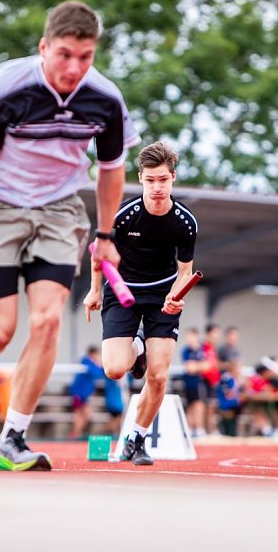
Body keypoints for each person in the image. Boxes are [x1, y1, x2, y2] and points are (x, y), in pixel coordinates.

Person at [0, 1, 140, 472]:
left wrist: (107, 233)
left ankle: (13, 439)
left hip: (59, 210)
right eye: (66, 55)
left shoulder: (105, 99)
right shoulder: (7, 88)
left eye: (86, 56)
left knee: (48, 321)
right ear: (44, 48)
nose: (75, 68)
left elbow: (112, 170)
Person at [83, 141, 198, 465]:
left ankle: (137, 438)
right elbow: (99, 255)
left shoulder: (185, 222)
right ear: (141, 179)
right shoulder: (124, 215)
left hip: (162, 294)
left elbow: (185, 270)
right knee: (115, 369)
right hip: (122, 291)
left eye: (163, 179)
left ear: (172, 177)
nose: (157, 187)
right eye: (150, 180)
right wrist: (94, 291)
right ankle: (137, 347)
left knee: (159, 375)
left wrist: (176, 297)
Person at [68, 346, 105, 439]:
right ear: (93, 354)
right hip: (78, 394)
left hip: (83, 395)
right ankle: (76, 433)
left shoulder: (90, 363)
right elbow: (97, 374)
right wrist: (99, 365)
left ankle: (77, 433)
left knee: (85, 415)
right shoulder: (86, 361)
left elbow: (100, 374)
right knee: (80, 414)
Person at [180, 327, 208, 438]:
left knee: (199, 405)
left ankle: (199, 428)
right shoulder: (186, 350)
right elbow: (189, 368)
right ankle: (190, 429)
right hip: (188, 382)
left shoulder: (202, 349)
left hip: (199, 382)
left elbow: (208, 365)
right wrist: (199, 366)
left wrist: (197, 366)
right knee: (190, 406)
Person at [201, 323, 222, 435]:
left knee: (212, 407)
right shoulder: (204, 347)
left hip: (213, 382)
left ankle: (211, 429)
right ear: (209, 333)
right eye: (215, 333)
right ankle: (207, 430)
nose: (217, 336)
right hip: (206, 382)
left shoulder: (213, 348)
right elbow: (205, 365)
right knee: (208, 407)